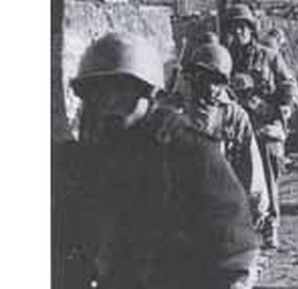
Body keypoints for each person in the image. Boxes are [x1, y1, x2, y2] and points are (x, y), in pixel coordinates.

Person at [54, 33, 260, 289]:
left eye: (122, 89)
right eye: (97, 92)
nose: (109, 102)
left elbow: (235, 254)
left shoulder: (190, 152)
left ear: (148, 93)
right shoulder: (80, 160)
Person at [224, 4, 298, 250]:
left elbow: (289, 85)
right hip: (233, 126)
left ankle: (270, 225)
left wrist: (283, 105)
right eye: (233, 27)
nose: (237, 32)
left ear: (250, 29)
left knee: (266, 169)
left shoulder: (268, 56)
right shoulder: (224, 58)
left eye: (242, 27)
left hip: (262, 125)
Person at [183, 41, 269, 232]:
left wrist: (255, 207)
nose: (209, 87)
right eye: (203, 78)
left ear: (224, 83)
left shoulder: (234, 116)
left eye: (216, 81)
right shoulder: (176, 112)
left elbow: (250, 164)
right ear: (193, 78)